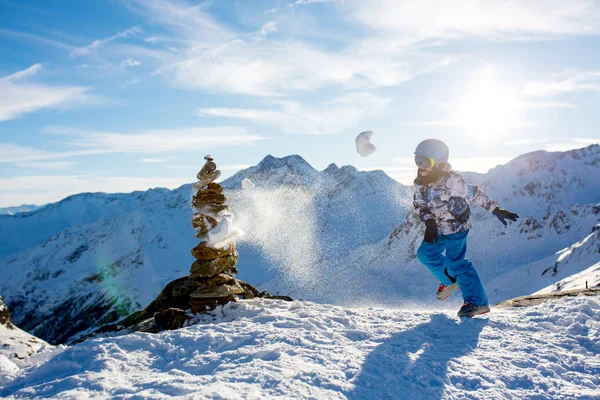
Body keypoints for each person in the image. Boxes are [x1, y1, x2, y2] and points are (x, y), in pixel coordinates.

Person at [412, 139, 519, 317]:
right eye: (417, 160)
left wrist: (495, 209)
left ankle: (477, 303)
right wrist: (429, 221)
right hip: (436, 228)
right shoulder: (421, 182)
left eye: (424, 162)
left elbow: (474, 193)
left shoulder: (452, 180)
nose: (420, 166)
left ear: (438, 163)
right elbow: (419, 203)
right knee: (425, 254)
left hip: (456, 229)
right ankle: (448, 280)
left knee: (456, 263)